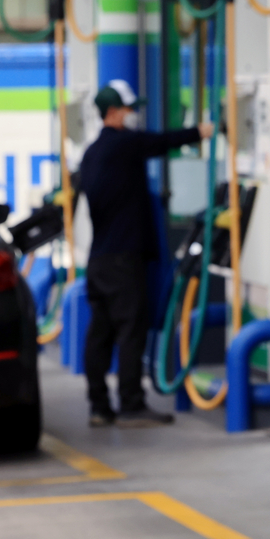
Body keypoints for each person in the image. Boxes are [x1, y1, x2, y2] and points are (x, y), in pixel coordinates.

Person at [82, 79, 213, 427]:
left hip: (98, 258)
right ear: (113, 113)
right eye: (129, 109)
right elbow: (160, 142)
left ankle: (98, 405)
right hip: (123, 258)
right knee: (130, 330)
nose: (134, 115)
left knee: (101, 332)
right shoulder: (121, 145)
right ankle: (131, 403)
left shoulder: (92, 153)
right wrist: (202, 131)